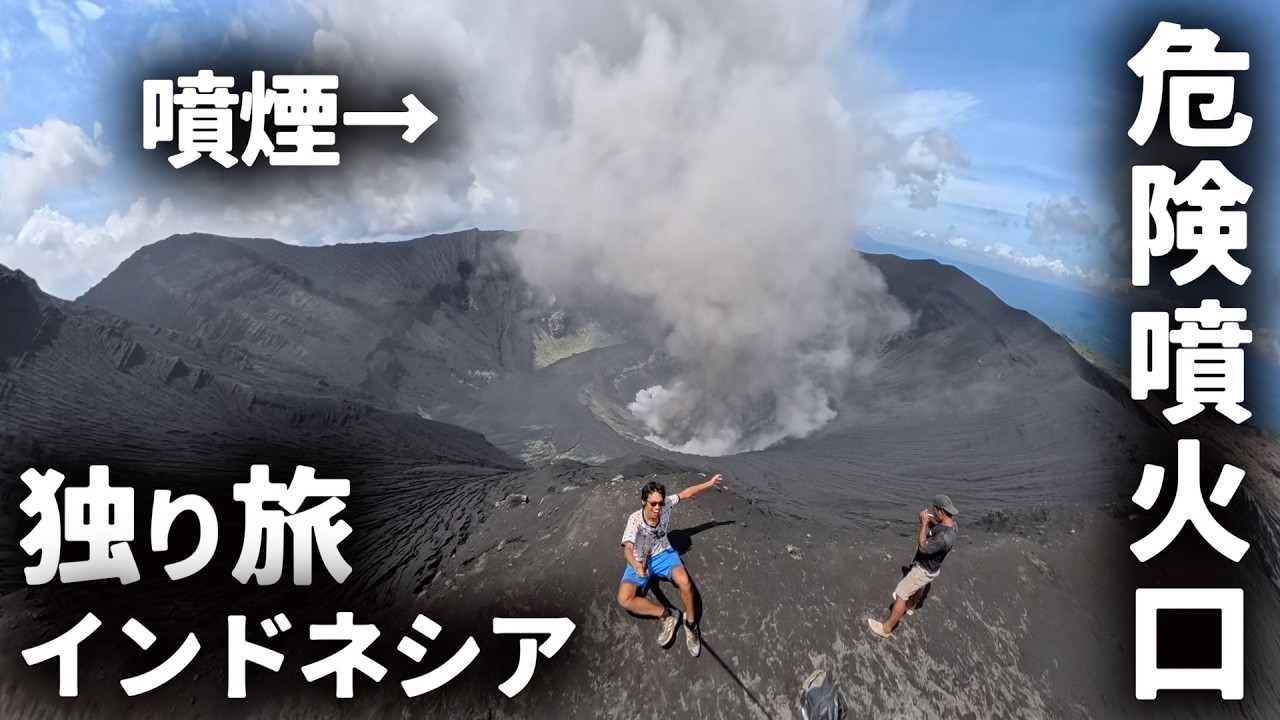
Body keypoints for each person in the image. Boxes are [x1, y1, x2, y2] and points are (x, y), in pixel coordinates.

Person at [616, 474, 723, 656]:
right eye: (653, 504)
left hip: (663, 553)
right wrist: (636, 565)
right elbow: (628, 549)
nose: (658, 508)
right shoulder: (635, 521)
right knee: (624, 599)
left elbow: (686, 494)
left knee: (685, 582)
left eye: (660, 503)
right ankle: (667, 615)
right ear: (644, 502)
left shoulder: (666, 507)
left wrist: (709, 483)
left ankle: (690, 624)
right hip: (639, 559)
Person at [867, 493, 959, 638]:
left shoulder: (942, 538)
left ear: (941, 511)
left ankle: (886, 628)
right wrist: (930, 524)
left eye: (934, 510)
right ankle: (910, 607)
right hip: (934, 569)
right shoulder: (952, 526)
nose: (933, 513)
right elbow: (938, 531)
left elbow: (923, 547)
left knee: (901, 593)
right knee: (920, 586)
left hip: (923, 570)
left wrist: (923, 525)